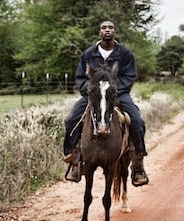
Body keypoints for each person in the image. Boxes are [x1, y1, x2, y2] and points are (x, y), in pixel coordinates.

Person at [62, 20, 149, 186]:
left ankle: (138, 162)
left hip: (118, 94)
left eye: (110, 28)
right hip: (93, 96)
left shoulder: (125, 54)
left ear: (114, 31)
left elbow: (130, 76)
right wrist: (90, 91)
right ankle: (74, 157)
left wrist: (113, 90)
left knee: (137, 120)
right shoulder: (88, 54)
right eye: (104, 28)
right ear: (99, 32)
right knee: (72, 119)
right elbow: (80, 77)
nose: (107, 30)